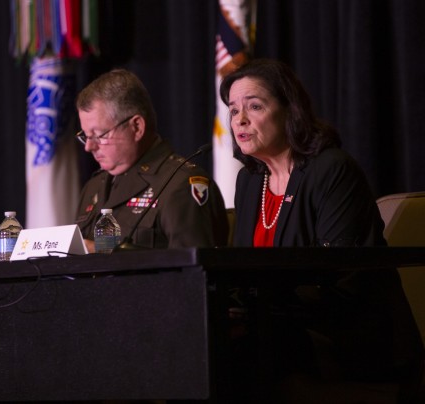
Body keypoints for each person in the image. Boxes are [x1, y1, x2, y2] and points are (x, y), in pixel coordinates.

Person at [220, 58, 424, 399]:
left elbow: (344, 278)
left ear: (290, 111)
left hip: (350, 337)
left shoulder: (332, 170)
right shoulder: (250, 181)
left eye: (254, 106)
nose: (239, 119)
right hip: (280, 329)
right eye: (233, 109)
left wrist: (262, 316)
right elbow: (245, 273)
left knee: (237, 361)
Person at [74, 69, 228, 252]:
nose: (89, 147)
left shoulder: (179, 185)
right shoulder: (94, 187)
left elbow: (189, 275)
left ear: (136, 127)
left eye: (99, 135)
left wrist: (103, 257)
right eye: (86, 136)